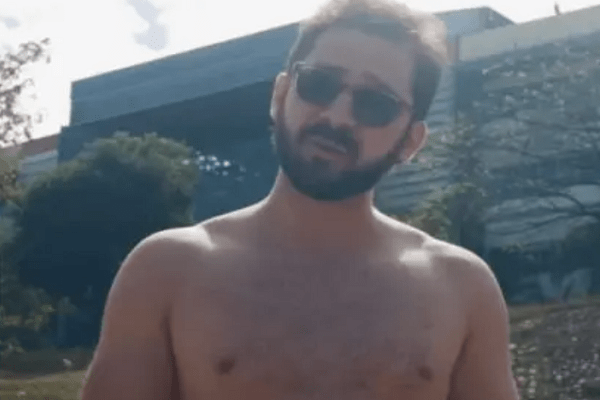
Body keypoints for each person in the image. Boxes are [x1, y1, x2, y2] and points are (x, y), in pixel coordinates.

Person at [80, 0, 520, 399]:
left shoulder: (461, 287)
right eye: (319, 84)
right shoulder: (168, 270)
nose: (337, 116)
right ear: (280, 96)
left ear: (410, 141)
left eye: (374, 104)